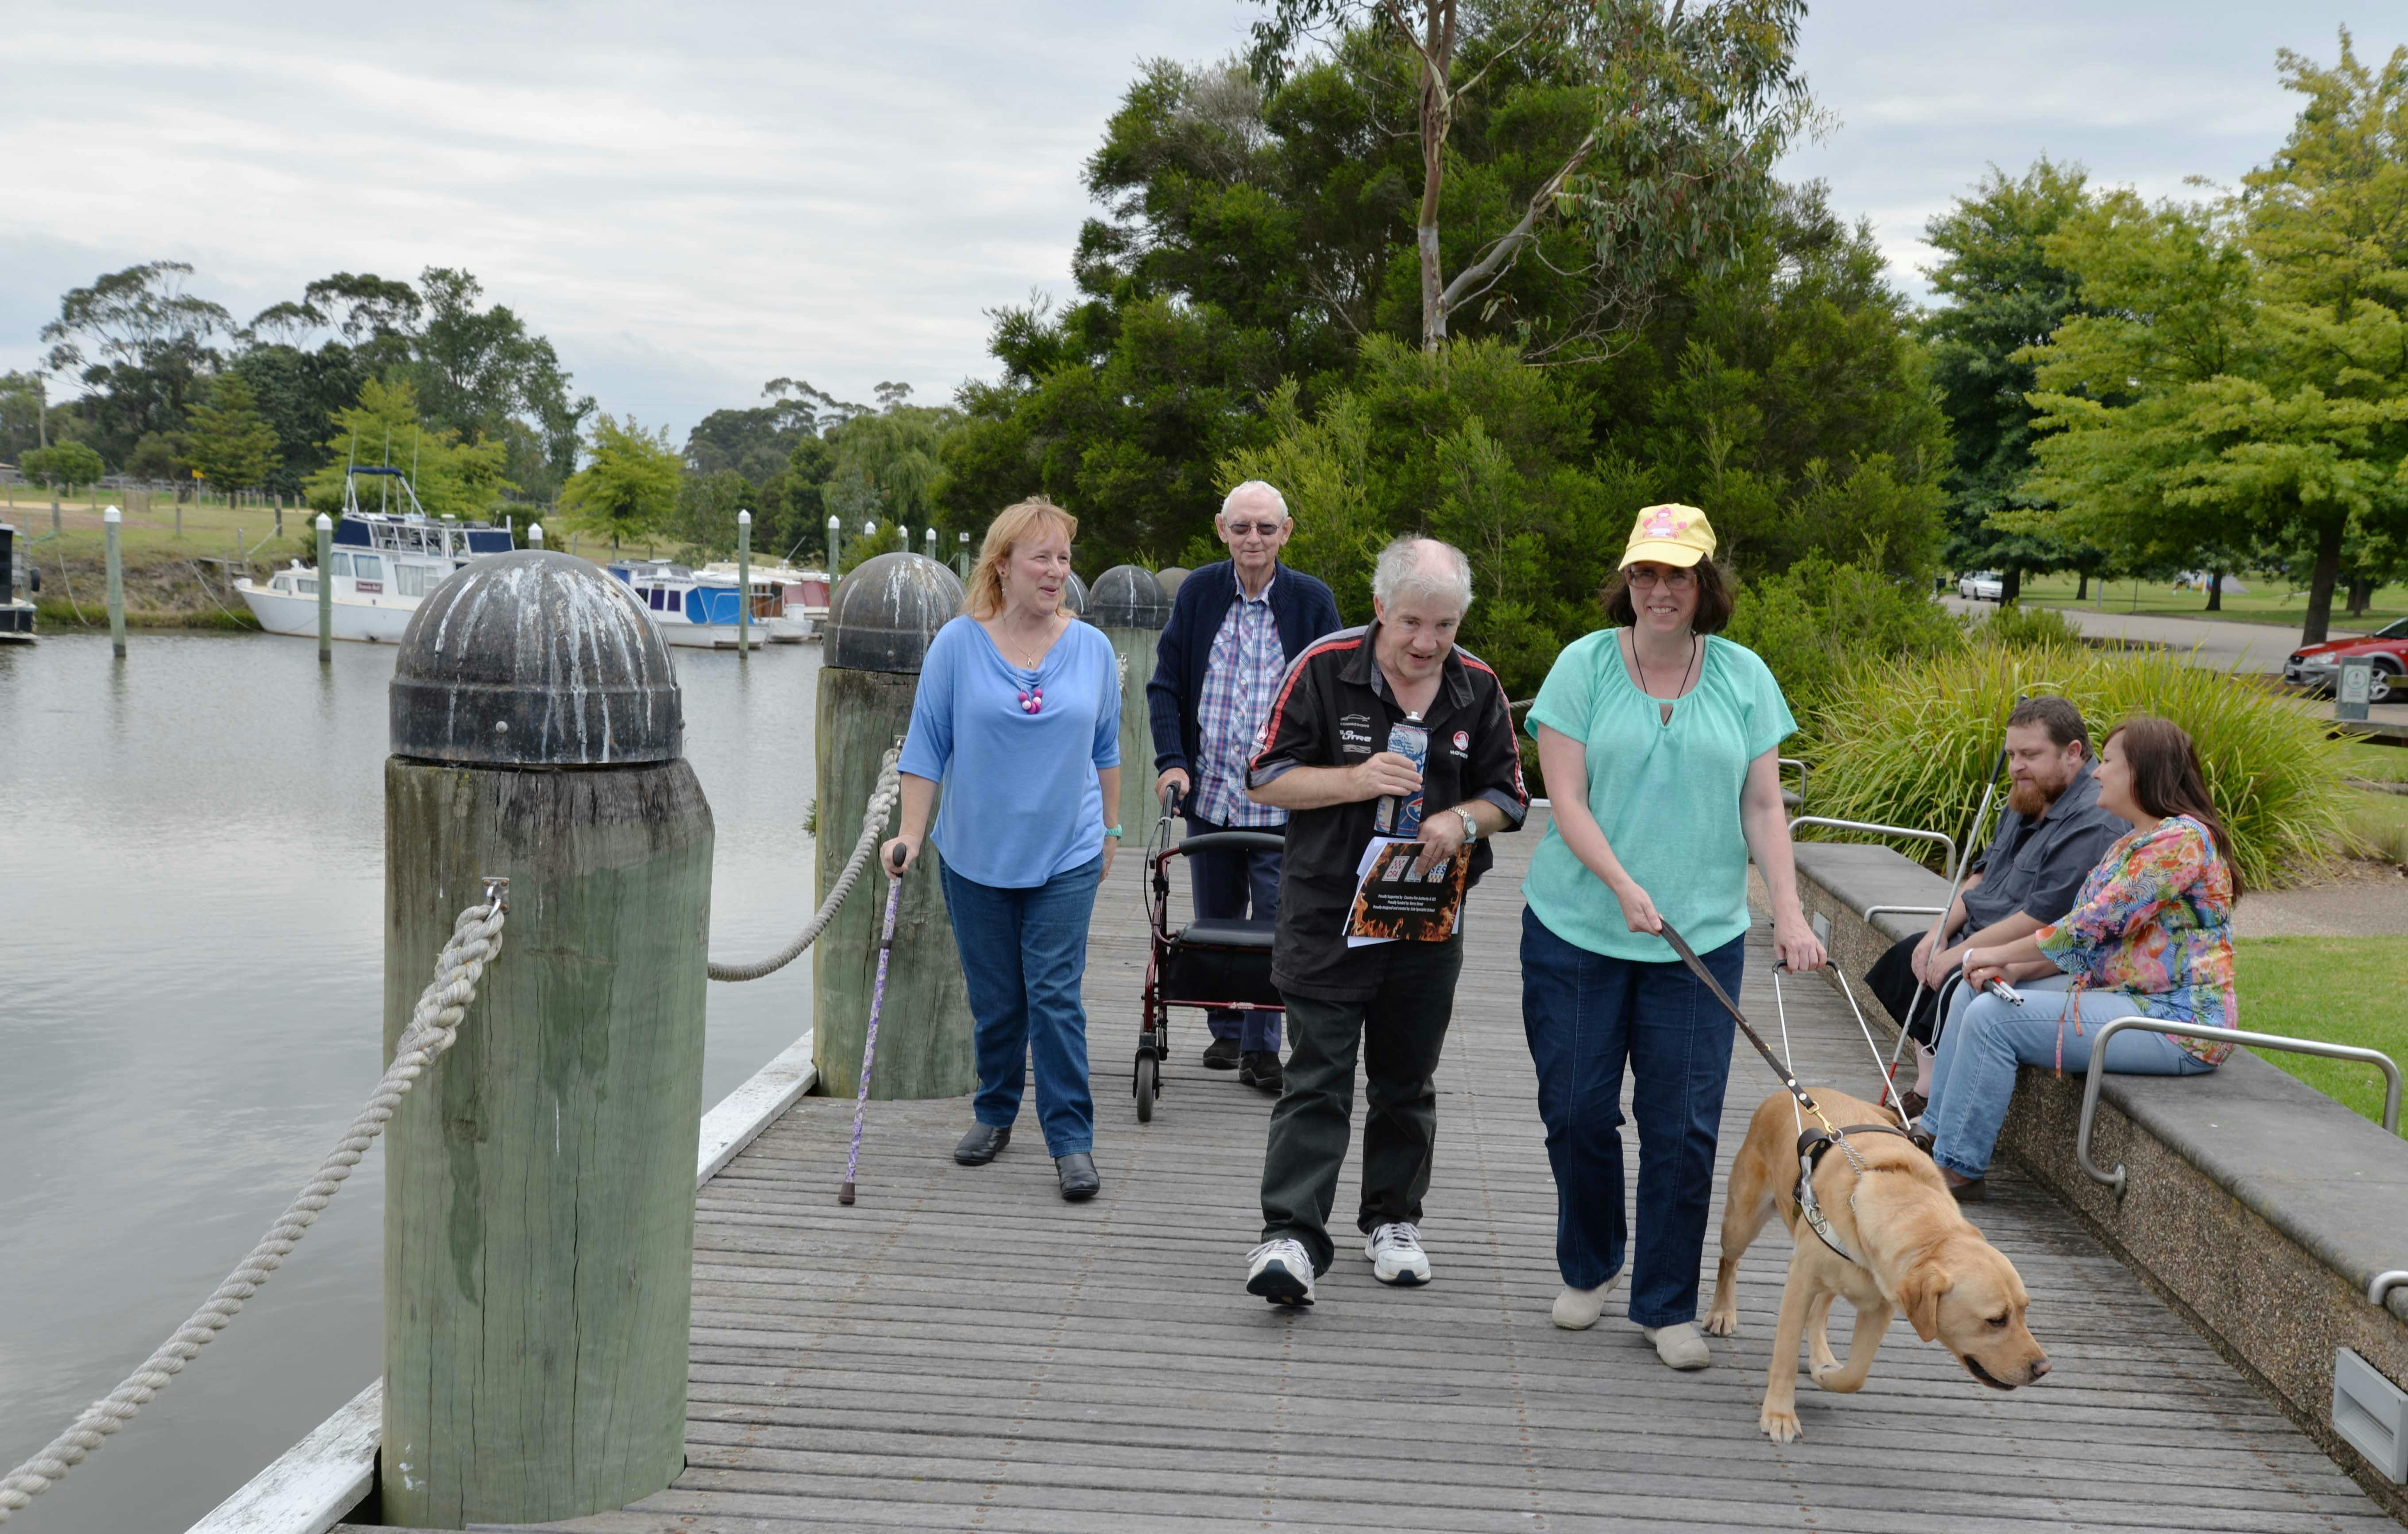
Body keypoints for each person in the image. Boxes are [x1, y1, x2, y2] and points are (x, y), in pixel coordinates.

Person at [1517, 502, 1825, 1372]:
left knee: (1681, 1126)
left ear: (1703, 586)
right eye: (1645, 574)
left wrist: (1790, 912)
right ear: (1627, 581)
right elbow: (1565, 799)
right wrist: (1621, 884)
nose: (1659, 589)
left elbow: (1764, 806)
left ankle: (1664, 1302)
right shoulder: (1582, 665)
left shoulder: (1741, 676)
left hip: (1699, 940)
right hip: (1577, 928)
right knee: (1576, 1111)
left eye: (1677, 575)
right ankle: (1589, 1265)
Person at [1239, 537, 1528, 1307]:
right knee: (1318, 1077)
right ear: (1378, 610)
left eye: (1444, 627)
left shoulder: (1479, 687)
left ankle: (1394, 1220)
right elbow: (1263, 779)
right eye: (1411, 625)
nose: (1427, 644)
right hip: (1329, 913)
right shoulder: (1323, 668)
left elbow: (1510, 796)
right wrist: (1354, 780)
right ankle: (1291, 1237)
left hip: (1427, 921)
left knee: (1407, 1081)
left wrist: (1462, 822)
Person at [883, 498, 1123, 1203]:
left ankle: (1071, 1139)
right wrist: (910, 831)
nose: (1057, 572)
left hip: (1066, 849)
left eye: (1064, 559)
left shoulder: (1094, 649)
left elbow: (1107, 748)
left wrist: (1110, 829)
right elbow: (928, 748)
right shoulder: (957, 644)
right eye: (1042, 558)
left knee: (1054, 996)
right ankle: (994, 1112)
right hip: (975, 851)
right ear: (1003, 565)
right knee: (996, 1000)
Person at [1927, 715, 2241, 1201]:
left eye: (2109, 762)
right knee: (1976, 991)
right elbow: (2087, 948)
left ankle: (1955, 1170)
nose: (2096, 772)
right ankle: (1930, 1136)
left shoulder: (2182, 842)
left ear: (2143, 771)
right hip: (2123, 999)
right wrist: (2009, 968)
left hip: (2177, 1022)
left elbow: (2090, 924)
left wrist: (1987, 950)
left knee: (1993, 1019)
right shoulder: (2132, 842)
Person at [1146, 480, 1343, 1092]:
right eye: (1241, 527)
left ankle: (1262, 1047)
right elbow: (1166, 687)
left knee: (1279, 925)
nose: (1252, 539)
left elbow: (1337, 694)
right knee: (1215, 917)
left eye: (1265, 528)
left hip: (1283, 802)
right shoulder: (1202, 593)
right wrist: (1172, 762)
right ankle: (1226, 1030)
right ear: (1221, 529)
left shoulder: (1312, 601)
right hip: (1210, 796)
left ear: (1286, 532)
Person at [1858, 697, 2130, 1118]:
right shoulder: (2027, 795)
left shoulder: (2094, 820)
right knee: (1909, 958)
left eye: (2031, 755)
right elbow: (1980, 878)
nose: (2017, 766)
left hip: (2026, 949)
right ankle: (1928, 1085)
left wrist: (1961, 953)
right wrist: (1938, 934)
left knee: (1951, 977)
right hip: (1982, 929)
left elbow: (2041, 917)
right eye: (2011, 755)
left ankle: (1935, 1106)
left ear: (2073, 753)